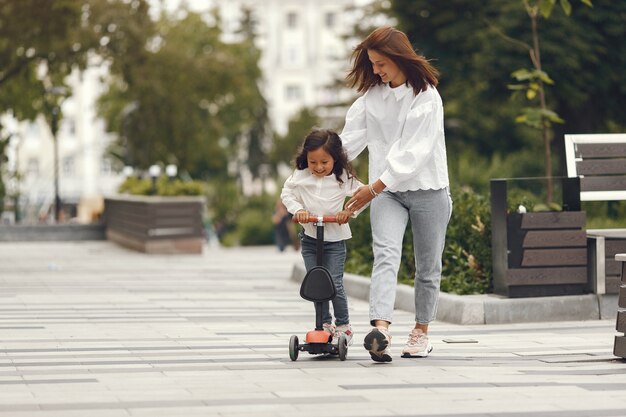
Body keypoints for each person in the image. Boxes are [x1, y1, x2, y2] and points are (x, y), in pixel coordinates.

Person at [340, 26, 452, 362]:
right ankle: (381, 330)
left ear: (398, 57)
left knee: (427, 266)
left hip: (428, 190)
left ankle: (420, 332)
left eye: (381, 63)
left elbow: (412, 155)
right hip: (387, 194)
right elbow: (348, 142)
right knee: (385, 255)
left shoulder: (427, 98)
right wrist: (314, 168)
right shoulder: (372, 99)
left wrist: (370, 189)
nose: (376, 70)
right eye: (372, 64)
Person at [280, 128, 366, 346]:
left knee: (334, 283)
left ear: (335, 159)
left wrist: (348, 211)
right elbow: (286, 193)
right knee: (316, 282)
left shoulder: (343, 178)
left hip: (335, 241)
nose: (318, 167)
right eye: (313, 162)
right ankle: (325, 323)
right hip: (310, 239)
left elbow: (363, 194)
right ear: (306, 158)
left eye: (324, 162)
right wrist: (298, 209)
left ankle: (344, 326)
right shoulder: (300, 176)